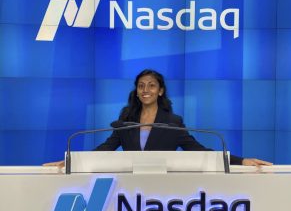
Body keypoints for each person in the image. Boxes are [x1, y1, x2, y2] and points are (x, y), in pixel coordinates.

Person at [45, 69, 272, 167]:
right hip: (128, 189)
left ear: (160, 91)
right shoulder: (126, 118)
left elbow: (199, 150)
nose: (146, 90)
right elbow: (107, 147)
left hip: (162, 194)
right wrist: (72, 161)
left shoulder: (172, 122)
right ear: (136, 90)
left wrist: (241, 161)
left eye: (152, 85)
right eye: (141, 86)